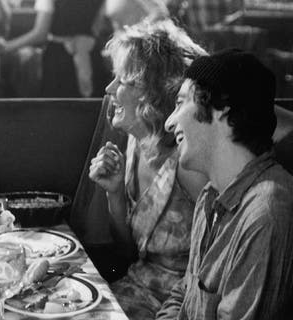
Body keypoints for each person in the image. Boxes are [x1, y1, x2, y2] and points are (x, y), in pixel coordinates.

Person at [157, 48, 293, 320]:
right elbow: (183, 295)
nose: (170, 123)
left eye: (181, 103)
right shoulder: (210, 195)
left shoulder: (266, 214)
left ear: (221, 109)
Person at [87, 20, 208, 319]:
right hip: (132, 289)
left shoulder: (190, 164)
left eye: (123, 81)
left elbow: (217, 267)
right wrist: (114, 194)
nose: (109, 88)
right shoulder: (134, 141)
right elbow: (130, 255)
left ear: (155, 95)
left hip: (179, 307)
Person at [0, 0, 104, 97]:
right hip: (91, 54)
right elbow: (98, 26)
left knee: (59, 111)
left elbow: (40, 33)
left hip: (60, 60)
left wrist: (7, 46)